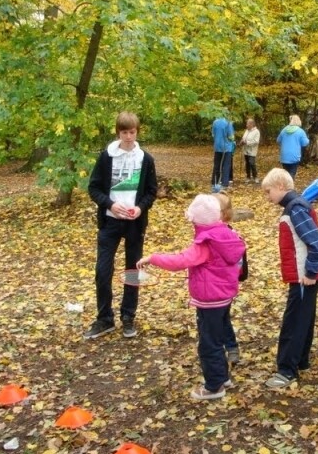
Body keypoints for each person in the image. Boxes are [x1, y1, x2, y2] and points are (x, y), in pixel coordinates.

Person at [137, 194, 246, 400]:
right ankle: (222, 377)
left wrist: (153, 258)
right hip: (224, 297)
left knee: (208, 343)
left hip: (210, 300)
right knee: (217, 338)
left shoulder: (205, 243)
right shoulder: (227, 235)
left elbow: (180, 261)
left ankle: (214, 387)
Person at [84, 111, 158, 340]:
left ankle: (128, 317)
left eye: (132, 132)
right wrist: (110, 204)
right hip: (110, 223)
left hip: (135, 224)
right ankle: (105, 318)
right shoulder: (107, 157)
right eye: (124, 132)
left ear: (137, 132)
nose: (128, 137)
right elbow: (94, 188)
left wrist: (140, 208)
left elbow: (151, 191)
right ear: (118, 133)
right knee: (102, 271)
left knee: (133, 271)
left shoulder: (145, 159)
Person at [261, 168, 318, 387]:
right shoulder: (295, 206)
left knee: (294, 322)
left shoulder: (295, 209)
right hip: (302, 275)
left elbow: (315, 242)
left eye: (268, 192)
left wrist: (310, 272)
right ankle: (301, 360)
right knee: (303, 318)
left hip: (303, 277)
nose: (267, 197)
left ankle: (287, 371)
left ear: (280, 187)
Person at [213, 192, 245, 364]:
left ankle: (227, 348)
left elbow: (237, 262)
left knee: (220, 318)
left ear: (224, 214)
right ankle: (229, 348)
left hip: (224, 286)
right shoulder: (207, 232)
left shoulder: (230, 235)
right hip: (213, 286)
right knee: (221, 317)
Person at [277, 115, 309, 179]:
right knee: (292, 173)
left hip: (284, 156)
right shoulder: (300, 131)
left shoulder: (284, 130)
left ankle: (286, 186)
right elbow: (305, 143)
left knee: (286, 173)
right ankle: (290, 187)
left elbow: (278, 140)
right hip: (294, 155)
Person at [211, 116, 234, 191]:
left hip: (217, 147)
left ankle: (214, 182)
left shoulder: (215, 122)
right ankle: (224, 184)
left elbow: (213, 134)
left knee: (216, 165)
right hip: (226, 148)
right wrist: (233, 140)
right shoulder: (228, 123)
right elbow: (231, 137)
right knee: (226, 166)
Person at [241, 118, 261, 183]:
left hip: (252, 150)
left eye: (247, 124)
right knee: (247, 163)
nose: (246, 125)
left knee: (252, 163)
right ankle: (248, 177)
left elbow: (256, 141)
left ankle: (255, 177)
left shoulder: (256, 131)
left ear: (252, 124)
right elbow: (244, 138)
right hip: (246, 150)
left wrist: (247, 142)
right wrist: (242, 141)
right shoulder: (246, 131)